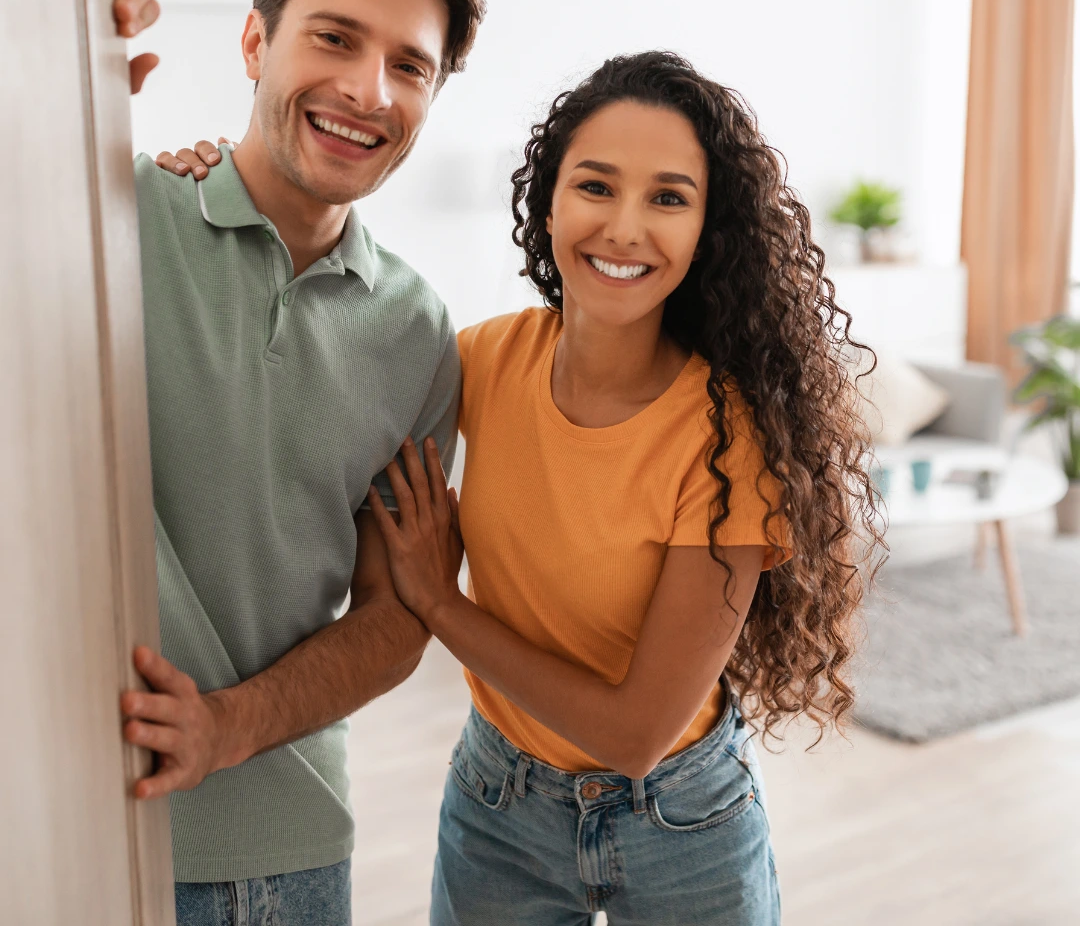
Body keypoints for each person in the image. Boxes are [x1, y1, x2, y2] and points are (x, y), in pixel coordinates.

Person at [177, 52, 883, 924]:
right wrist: (207, 189)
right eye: (596, 186)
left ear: (709, 230)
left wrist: (445, 606)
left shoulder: (727, 438)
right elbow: (315, 371)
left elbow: (634, 735)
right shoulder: (478, 361)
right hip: (499, 804)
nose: (625, 227)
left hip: (682, 819)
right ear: (547, 201)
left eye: (668, 198)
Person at [110, 0, 485, 925]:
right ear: (253, 42)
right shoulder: (115, 221)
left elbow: (397, 617)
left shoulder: (418, 332)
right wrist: (64, 46)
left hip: (294, 856)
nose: (368, 91)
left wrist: (224, 727)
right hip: (83, 824)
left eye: (410, 65)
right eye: (334, 38)